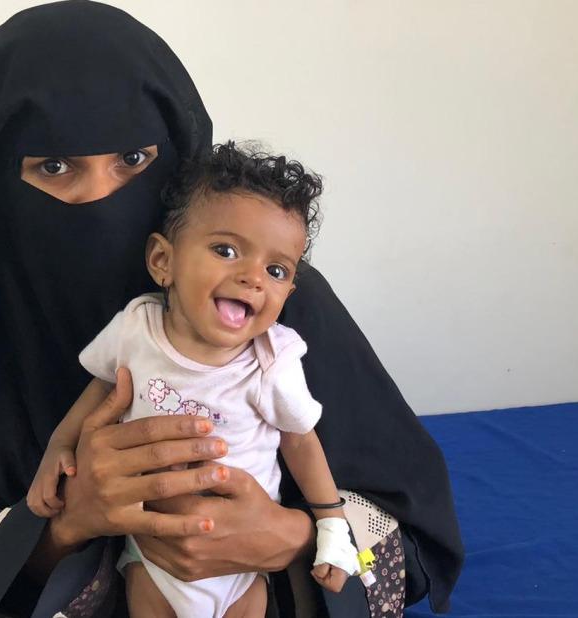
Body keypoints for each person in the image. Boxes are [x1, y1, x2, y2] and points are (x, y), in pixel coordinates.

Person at [0, 2, 463, 617]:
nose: (99, 201)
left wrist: (290, 538)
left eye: (133, 160)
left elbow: (417, 536)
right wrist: (66, 524)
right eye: (54, 167)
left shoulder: (270, 311)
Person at [28, 142, 360, 617]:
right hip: (151, 547)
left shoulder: (273, 359)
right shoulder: (136, 328)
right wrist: (59, 446)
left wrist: (329, 523)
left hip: (241, 554)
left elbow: (301, 440)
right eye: (226, 250)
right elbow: (104, 388)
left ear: (290, 289)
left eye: (276, 269)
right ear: (163, 261)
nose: (253, 278)